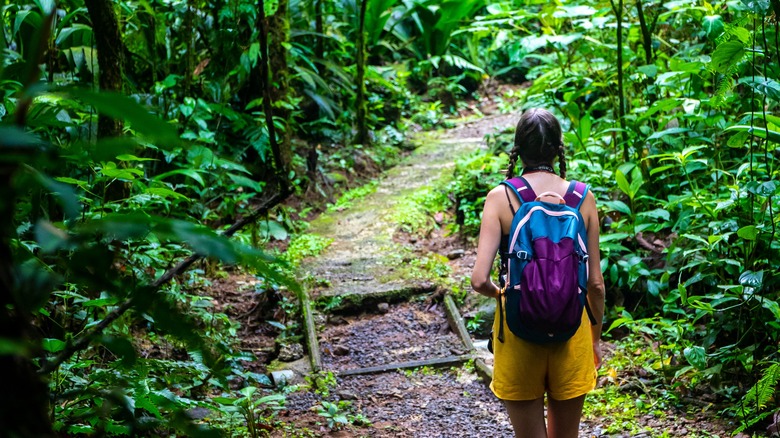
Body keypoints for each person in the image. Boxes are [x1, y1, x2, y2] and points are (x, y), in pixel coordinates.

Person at [470, 108, 605, 438]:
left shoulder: (500, 198)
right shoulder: (582, 197)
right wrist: (596, 339)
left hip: (517, 330)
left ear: (518, 149)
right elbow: (595, 283)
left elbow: (478, 280)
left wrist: (503, 293)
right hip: (572, 331)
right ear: (558, 147)